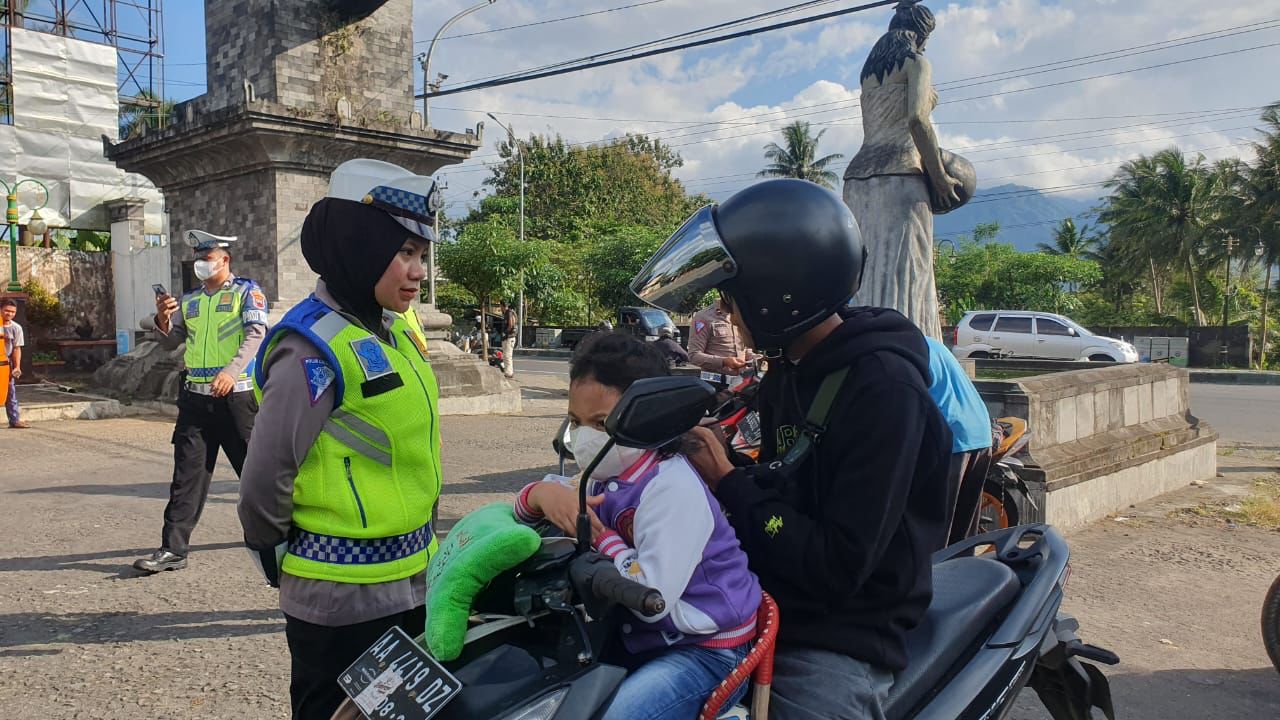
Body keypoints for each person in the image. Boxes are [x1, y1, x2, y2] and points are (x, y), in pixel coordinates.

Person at [632, 178, 952, 719]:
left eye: (731, 295)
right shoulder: (790, 367)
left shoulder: (883, 391)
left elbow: (838, 565)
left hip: (845, 630)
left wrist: (729, 482)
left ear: (776, 292)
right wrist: (722, 468)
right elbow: (787, 481)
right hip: (768, 596)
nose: (725, 310)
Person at [237, 158, 444, 720]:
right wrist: (284, 555)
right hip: (340, 597)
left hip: (411, 581)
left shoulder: (395, 328)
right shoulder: (311, 348)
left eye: (421, 255)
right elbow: (264, 478)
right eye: (404, 253)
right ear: (359, 244)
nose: (418, 271)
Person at [513, 332, 760, 720]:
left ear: (647, 418)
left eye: (601, 423)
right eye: (576, 422)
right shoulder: (603, 471)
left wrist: (603, 538)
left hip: (705, 650)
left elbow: (652, 598)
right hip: (639, 638)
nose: (585, 438)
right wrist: (540, 496)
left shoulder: (670, 488)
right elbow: (532, 511)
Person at [133, 231, 267, 573]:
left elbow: (255, 335)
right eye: (199, 257)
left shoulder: (246, 293)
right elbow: (171, 342)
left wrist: (232, 371)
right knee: (186, 475)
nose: (202, 264)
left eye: (208, 257)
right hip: (195, 398)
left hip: (236, 398)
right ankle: (172, 549)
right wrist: (163, 317)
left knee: (255, 474)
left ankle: (277, 540)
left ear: (225, 260)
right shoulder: (190, 301)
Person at [843, 0, 964, 339]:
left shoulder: (868, 74)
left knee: (864, 273)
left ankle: (867, 344)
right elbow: (916, 119)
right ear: (921, 35)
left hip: (857, 179)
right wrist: (939, 176)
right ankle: (909, 348)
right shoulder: (917, 64)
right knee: (909, 272)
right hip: (900, 174)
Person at [924, 337, 994, 543]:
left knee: (936, 533)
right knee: (964, 533)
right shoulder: (931, 344)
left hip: (953, 438)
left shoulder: (901, 351)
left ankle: (938, 575)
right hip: (980, 430)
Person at [687, 299, 750, 385]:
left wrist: (753, 357)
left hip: (741, 383)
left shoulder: (740, 315)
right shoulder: (703, 317)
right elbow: (694, 356)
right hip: (714, 382)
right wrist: (723, 361)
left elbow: (743, 348)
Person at [1, 299, 27, 428]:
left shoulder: (16, 328)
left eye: (12, 312)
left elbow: (17, 348)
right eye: (6, 310)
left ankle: (14, 420)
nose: (9, 314)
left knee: (10, 392)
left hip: (6, 363)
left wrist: (17, 366)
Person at [500, 299, 518, 378]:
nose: (500, 308)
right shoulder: (508, 313)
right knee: (506, 355)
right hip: (509, 337)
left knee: (507, 356)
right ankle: (508, 372)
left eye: (500, 306)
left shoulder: (509, 313)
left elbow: (510, 325)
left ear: (503, 306)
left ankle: (509, 373)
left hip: (509, 337)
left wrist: (505, 333)